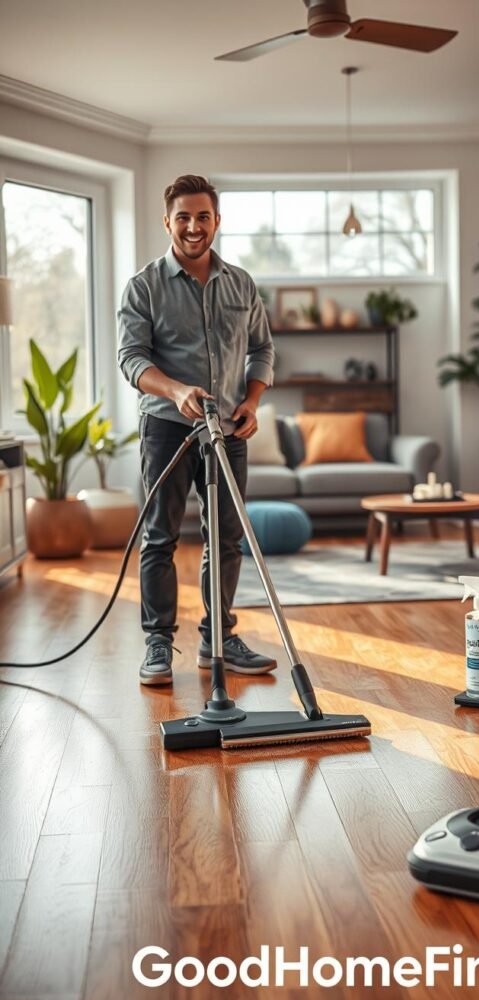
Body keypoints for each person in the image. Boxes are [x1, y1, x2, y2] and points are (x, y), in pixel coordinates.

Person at [118, 174, 277, 685]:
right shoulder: (144, 286)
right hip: (166, 428)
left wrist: (252, 401)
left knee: (226, 538)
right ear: (168, 221)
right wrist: (175, 390)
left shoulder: (241, 284)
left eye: (202, 217)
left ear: (216, 221)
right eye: (183, 217)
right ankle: (159, 645)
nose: (193, 226)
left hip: (229, 431)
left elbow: (262, 350)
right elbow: (131, 358)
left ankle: (218, 638)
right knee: (161, 537)